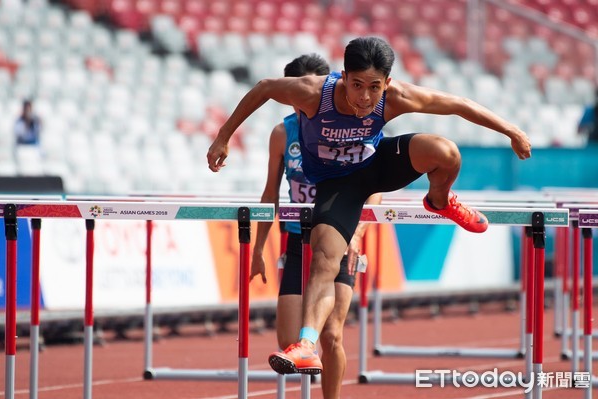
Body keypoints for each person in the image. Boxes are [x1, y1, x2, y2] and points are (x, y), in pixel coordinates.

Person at [207, 36, 532, 376]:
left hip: (377, 166)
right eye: (357, 85)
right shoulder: (312, 92)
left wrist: (510, 130)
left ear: (387, 83)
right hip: (338, 184)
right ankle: (306, 345)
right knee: (324, 258)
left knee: (446, 152)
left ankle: (439, 199)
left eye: (374, 88)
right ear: (344, 76)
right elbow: (263, 88)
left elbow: (457, 103)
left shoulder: (395, 97)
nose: (364, 97)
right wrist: (223, 136)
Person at [249, 53, 381, 399]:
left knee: (331, 335)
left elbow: (374, 190)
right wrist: (259, 249)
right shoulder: (282, 133)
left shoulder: (354, 124)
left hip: (338, 238)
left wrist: (356, 235)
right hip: (296, 241)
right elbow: (270, 193)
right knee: (288, 340)